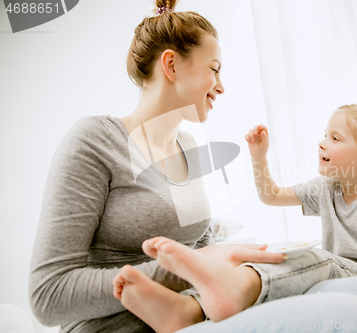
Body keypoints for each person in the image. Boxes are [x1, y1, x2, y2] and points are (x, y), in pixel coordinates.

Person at [28, 1, 286, 332]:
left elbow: (197, 244)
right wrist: (191, 267)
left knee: (306, 267)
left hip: (195, 313)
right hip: (117, 325)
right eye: (214, 68)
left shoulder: (189, 146)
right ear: (171, 65)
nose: (221, 86)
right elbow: (49, 296)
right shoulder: (94, 140)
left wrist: (225, 257)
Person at [112, 103, 357, 333]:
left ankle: (209, 301)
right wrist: (259, 157)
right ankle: (191, 309)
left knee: (316, 259)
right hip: (337, 278)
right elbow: (271, 195)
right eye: (325, 134)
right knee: (291, 262)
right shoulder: (326, 188)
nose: (322, 142)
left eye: (335, 138)